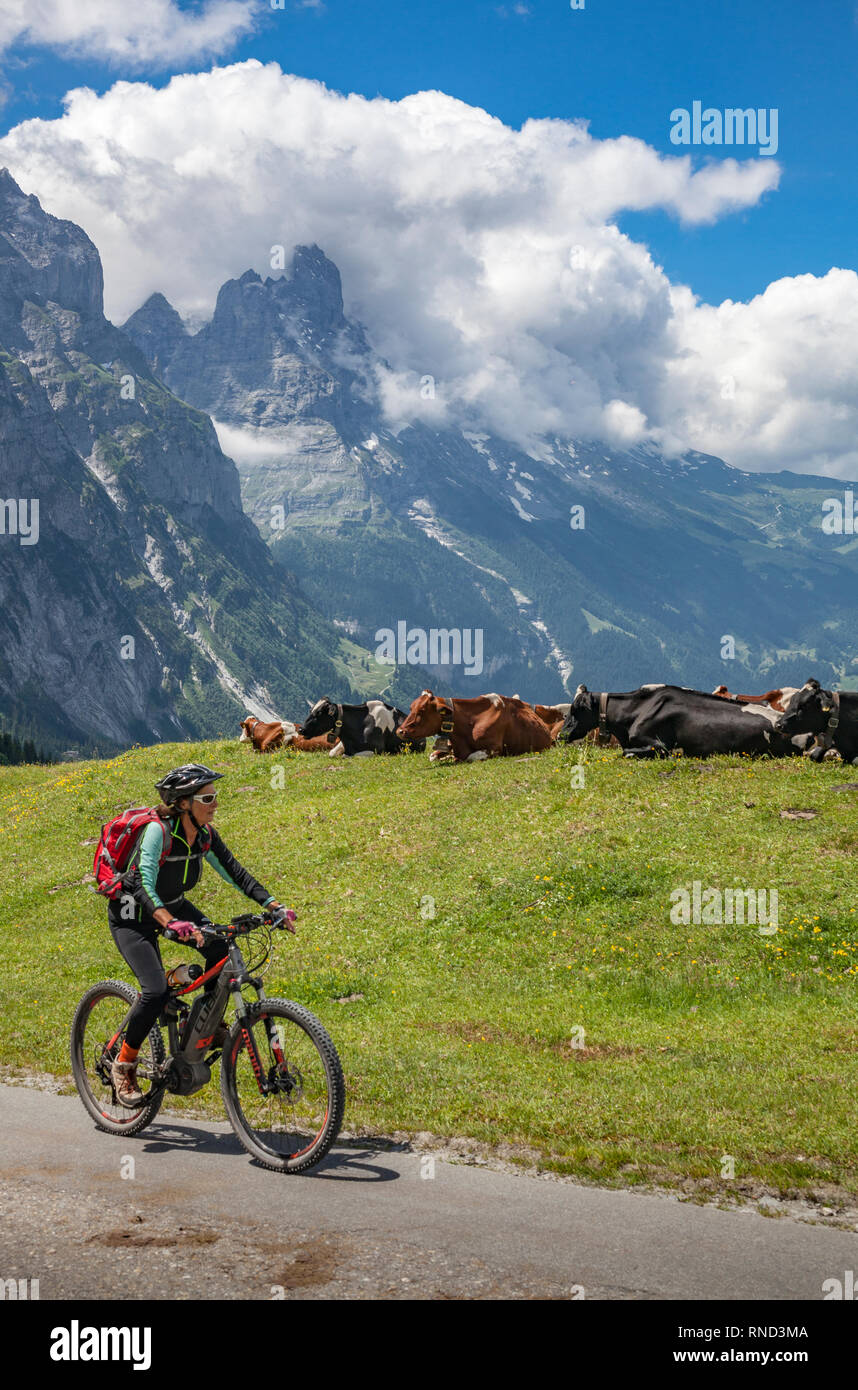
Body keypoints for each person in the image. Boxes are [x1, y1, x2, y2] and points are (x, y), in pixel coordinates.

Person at [108, 762, 293, 1107]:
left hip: (174, 906)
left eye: (215, 796)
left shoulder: (205, 835)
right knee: (155, 990)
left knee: (221, 950)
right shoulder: (157, 833)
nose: (215, 804)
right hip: (133, 915)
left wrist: (272, 905)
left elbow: (235, 871)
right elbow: (143, 884)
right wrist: (168, 922)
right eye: (207, 797)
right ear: (183, 803)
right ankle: (124, 1063)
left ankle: (205, 1025)